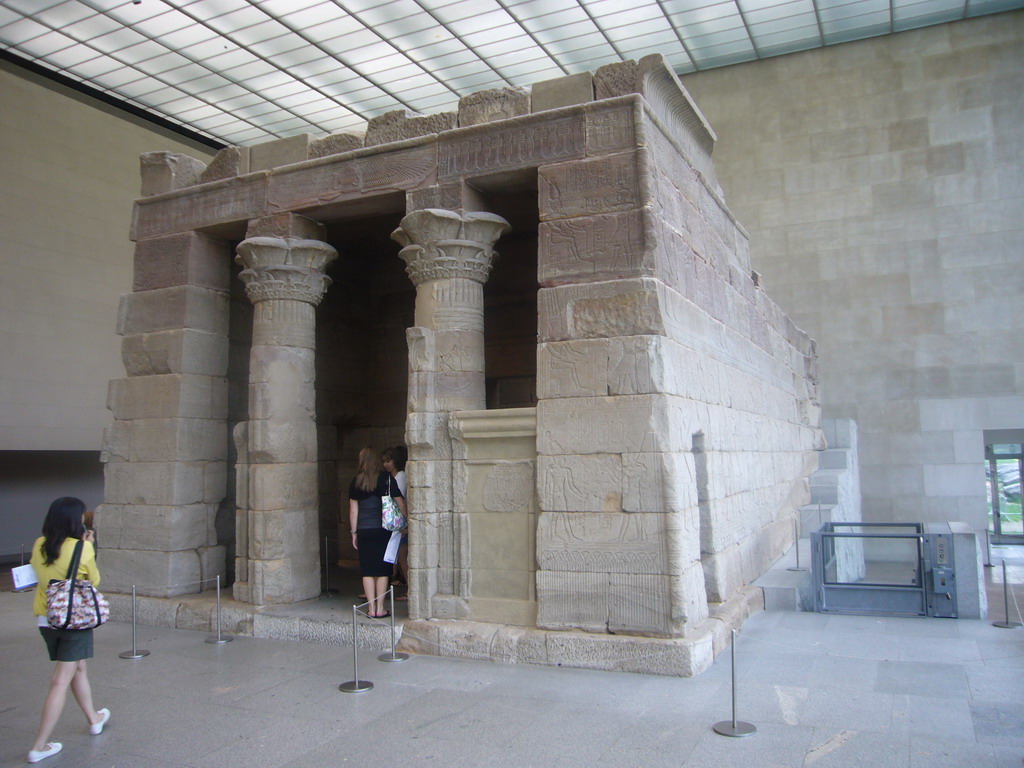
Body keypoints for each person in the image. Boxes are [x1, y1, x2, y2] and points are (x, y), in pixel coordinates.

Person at [27, 497, 110, 763]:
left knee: (78, 668)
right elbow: (93, 580)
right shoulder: (81, 548)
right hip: (73, 618)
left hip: (47, 617)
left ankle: (93, 718)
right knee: (60, 680)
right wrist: (89, 547)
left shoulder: (40, 545)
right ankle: (39, 745)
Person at [348, 446, 406, 618]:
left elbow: (353, 511)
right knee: (382, 570)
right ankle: (380, 608)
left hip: (364, 530)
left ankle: (371, 608)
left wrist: (353, 533)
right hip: (383, 529)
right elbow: (400, 502)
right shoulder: (386, 478)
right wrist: (406, 520)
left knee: (367, 570)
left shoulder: (356, 481)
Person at [382, 445, 409, 597]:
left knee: (402, 557)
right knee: (398, 557)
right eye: (384, 461)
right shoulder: (392, 477)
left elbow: (400, 501)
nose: (386, 464)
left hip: (399, 522)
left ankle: (410, 589)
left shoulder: (400, 476)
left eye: (389, 460)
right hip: (394, 522)